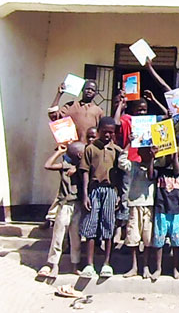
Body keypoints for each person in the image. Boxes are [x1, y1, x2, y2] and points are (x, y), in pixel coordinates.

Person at [78, 117, 122, 278]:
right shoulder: (90, 149)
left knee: (108, 225)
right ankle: (89, 264)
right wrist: (85, 195)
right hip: (94, 190)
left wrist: (119, 195)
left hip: (110, 191)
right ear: (99, 131)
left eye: (111, 132)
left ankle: (106, 264)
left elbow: (120, 175)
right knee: (91, 225)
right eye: (105, 132)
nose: (108, 135)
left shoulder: (116, 150)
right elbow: (84, 172)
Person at [37, 141, 85, 279]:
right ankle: (53, 264)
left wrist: (77, 169)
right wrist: (59, 152)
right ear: (79, 154)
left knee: (75, 237)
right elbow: (48, 165)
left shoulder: (84, 168)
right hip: (65, 205)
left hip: (78, 205)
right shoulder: (65, 166)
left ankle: (75, 265)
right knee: (58, 235)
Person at [118, 143, 155, 279]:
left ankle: (145, 266)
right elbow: (121, 162)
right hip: (135, 204)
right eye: (143, 151)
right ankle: (134, 266)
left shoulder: (154, 166)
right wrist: (129, 143)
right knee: (133, 237)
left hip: (149, 205)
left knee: (148, 238)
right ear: (139, 153)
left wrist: (152, 157)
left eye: (148, 151)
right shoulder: (133, 166)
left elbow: (151, 176)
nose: (146, 154)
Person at [148, 150, 179, 281]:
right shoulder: (160, 170)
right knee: (158, 240)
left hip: (175, 211)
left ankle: (176, 268)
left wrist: (175, 157)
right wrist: (152, 158)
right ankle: (158, 268)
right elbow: (150, 175)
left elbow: (177, 171)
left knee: (176, 241)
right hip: (161, 208)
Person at [48, 80, 103, 144]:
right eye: (87, 89)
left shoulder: (98, 111)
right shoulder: (70, 106)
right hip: (70, 147)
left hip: (88, 149)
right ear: (82, 90)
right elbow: (53, 115)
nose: (90, 91)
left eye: (92, 90)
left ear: (96, 93)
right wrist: (59, 94)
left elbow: (101, 132)